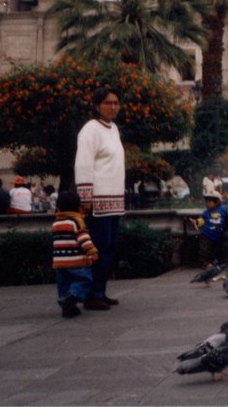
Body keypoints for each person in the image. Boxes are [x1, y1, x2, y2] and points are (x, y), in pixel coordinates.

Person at [75, 86, 126, 310]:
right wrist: (85, 197)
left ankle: (100, 291)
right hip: (97, 202)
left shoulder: (113, 128)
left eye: (116, 103)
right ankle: (91, 295)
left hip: (114, 201)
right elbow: (83, 163)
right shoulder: (90, 129)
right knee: (98, 248)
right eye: (108, 103)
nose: (113, 107)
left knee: (109, 248)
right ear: (97, 106)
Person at [52, 189, 99, 318]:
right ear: (78, 207)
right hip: (76, 260)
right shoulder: (77, 221)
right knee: (84, 280)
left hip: (60, 261)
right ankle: (71, 298)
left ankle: (67, 307)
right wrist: (92, 251)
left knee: (64, 284)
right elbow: (83, 238)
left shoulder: (56, 222)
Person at [189, 187, 228, 267]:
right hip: (206, 234)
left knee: (217, 250)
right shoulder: (206, 212)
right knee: (205, 249)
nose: (207, 203)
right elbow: (202, 220)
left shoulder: (223, 209)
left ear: (217, 202)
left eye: (209, 202)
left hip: (218, 235)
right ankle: (205, 262)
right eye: (206, 201)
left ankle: (217, 262)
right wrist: (196, 222)